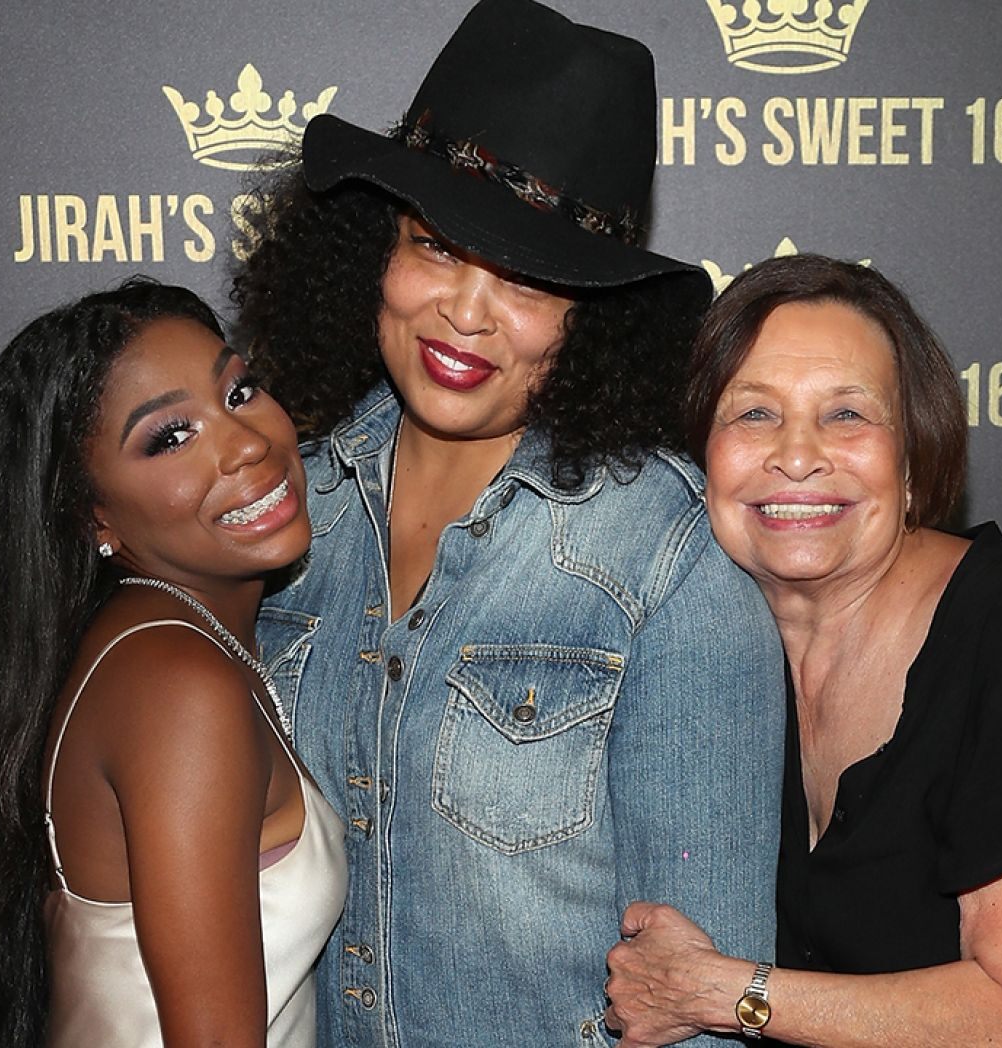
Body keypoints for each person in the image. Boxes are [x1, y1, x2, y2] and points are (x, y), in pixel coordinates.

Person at [231, 1, 784, 1044]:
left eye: (528, 280)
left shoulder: (664, 564)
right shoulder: (279, 518)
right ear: (369, 256)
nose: (467, 311)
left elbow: (701, 1011)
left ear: (591, 318)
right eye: (433, 248)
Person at [603, 255, 1002, 1047]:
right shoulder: (698, 644)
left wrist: (722, 993)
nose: (797, 454)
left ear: (914, 460)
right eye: (753, 414)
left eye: (848, 415)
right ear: (699, 455)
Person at [0, 279, 345, 1048]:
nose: (246, 442)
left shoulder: (155, 641)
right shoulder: (178, 682)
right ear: (92, 515)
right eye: (169, 437)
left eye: (239, 390)